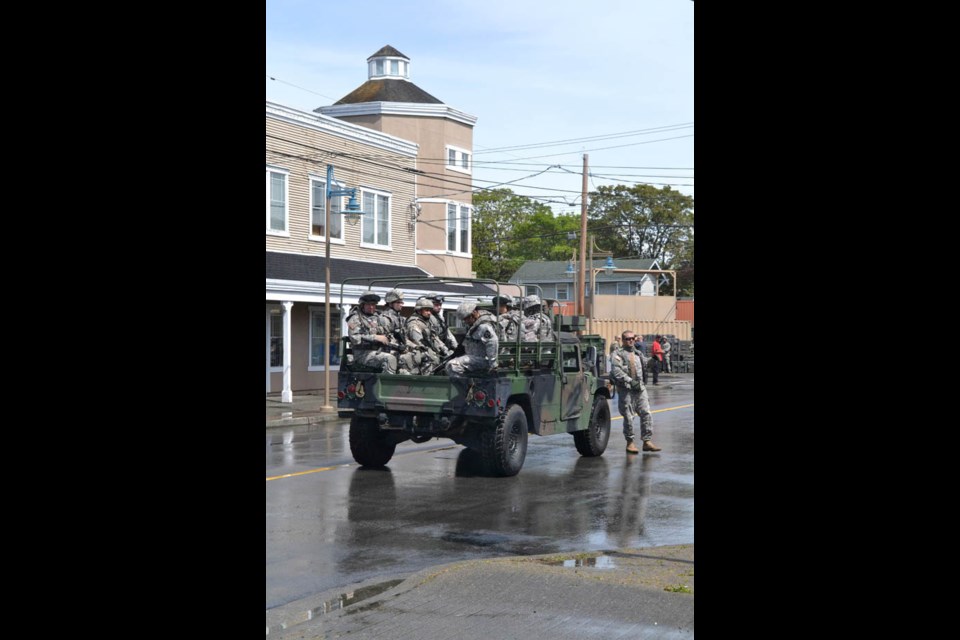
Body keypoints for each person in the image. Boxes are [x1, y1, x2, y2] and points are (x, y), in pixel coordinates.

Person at [609, 331, 660, 453]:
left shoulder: (638, 353)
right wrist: (630, 381)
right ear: (622, 340)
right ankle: (630, 443)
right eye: (627, 339)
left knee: (646, 413)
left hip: (640, 389)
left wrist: (653, 360)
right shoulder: (617, 354)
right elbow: (617, 372)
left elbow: (645, 364)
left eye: (632, 338)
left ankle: (647, 441)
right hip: (626, 390)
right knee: (628, 417)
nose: (630, 341)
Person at [346, 293, 399, 374]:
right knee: (389, 359)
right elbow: (355, 338)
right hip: (362, 354)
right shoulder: (355, 318)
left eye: (373, 304)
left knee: (403, 358)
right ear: (362, 305)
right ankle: (384, 385)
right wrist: (375, 337)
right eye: (368, 305)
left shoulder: (379, 317)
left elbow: (387, 333)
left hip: (379, 351)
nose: (371, 307)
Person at [445, 301, 499, 377]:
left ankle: (466, 387)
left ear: (474, 312)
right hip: (476, 357)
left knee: (452, 366)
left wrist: (493, 364)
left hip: (485, 360)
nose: (466, 321)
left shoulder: (483, 326)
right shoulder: (475, 323)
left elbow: (492, 342)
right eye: (464, 319)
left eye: (467, 318)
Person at [400, 297, 447, 375]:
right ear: (419, 311)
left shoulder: (427, 322)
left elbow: (434, 337)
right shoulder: (414, 323)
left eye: (430, 310)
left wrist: (444, 348)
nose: (429, 313)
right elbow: (418, 342)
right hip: (416, 351)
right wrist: (433, 352)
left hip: (427, 350)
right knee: (431, 358)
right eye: (426, 310)